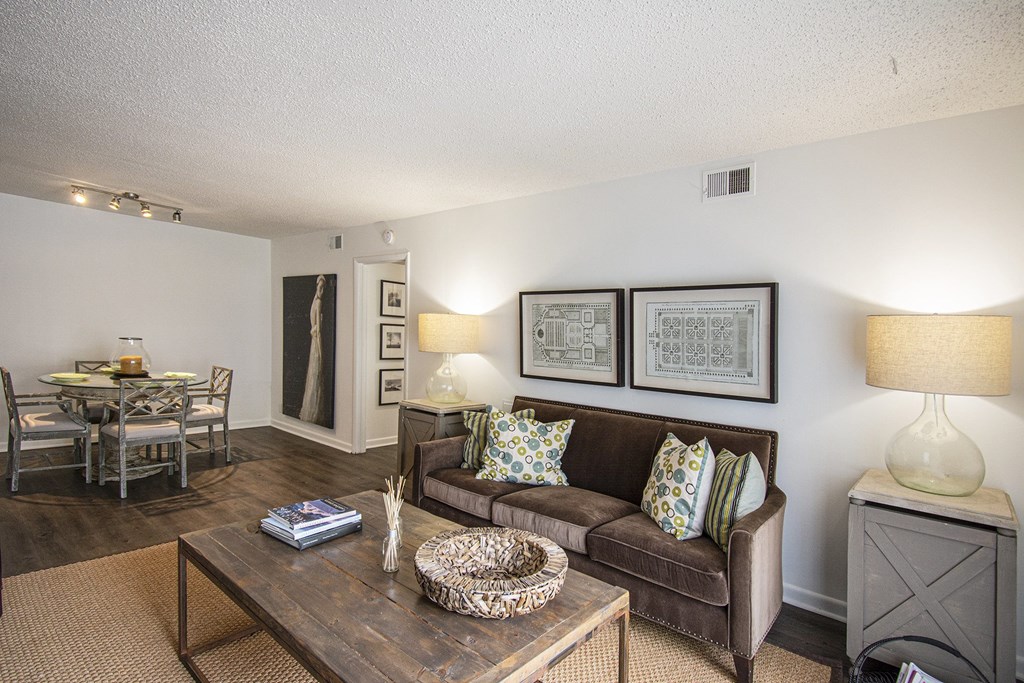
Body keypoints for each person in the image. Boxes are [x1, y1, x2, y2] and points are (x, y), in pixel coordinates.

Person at [299, 275, 326, 424]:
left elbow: (314, 327)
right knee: (316, 372)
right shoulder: (319, 303)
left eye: (322, 288)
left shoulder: (315, 302)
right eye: (319, 288)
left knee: (313, 374)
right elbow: (318, 329)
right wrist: (321, 350)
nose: (321, 291)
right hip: (317, 342)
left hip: (314, 341)